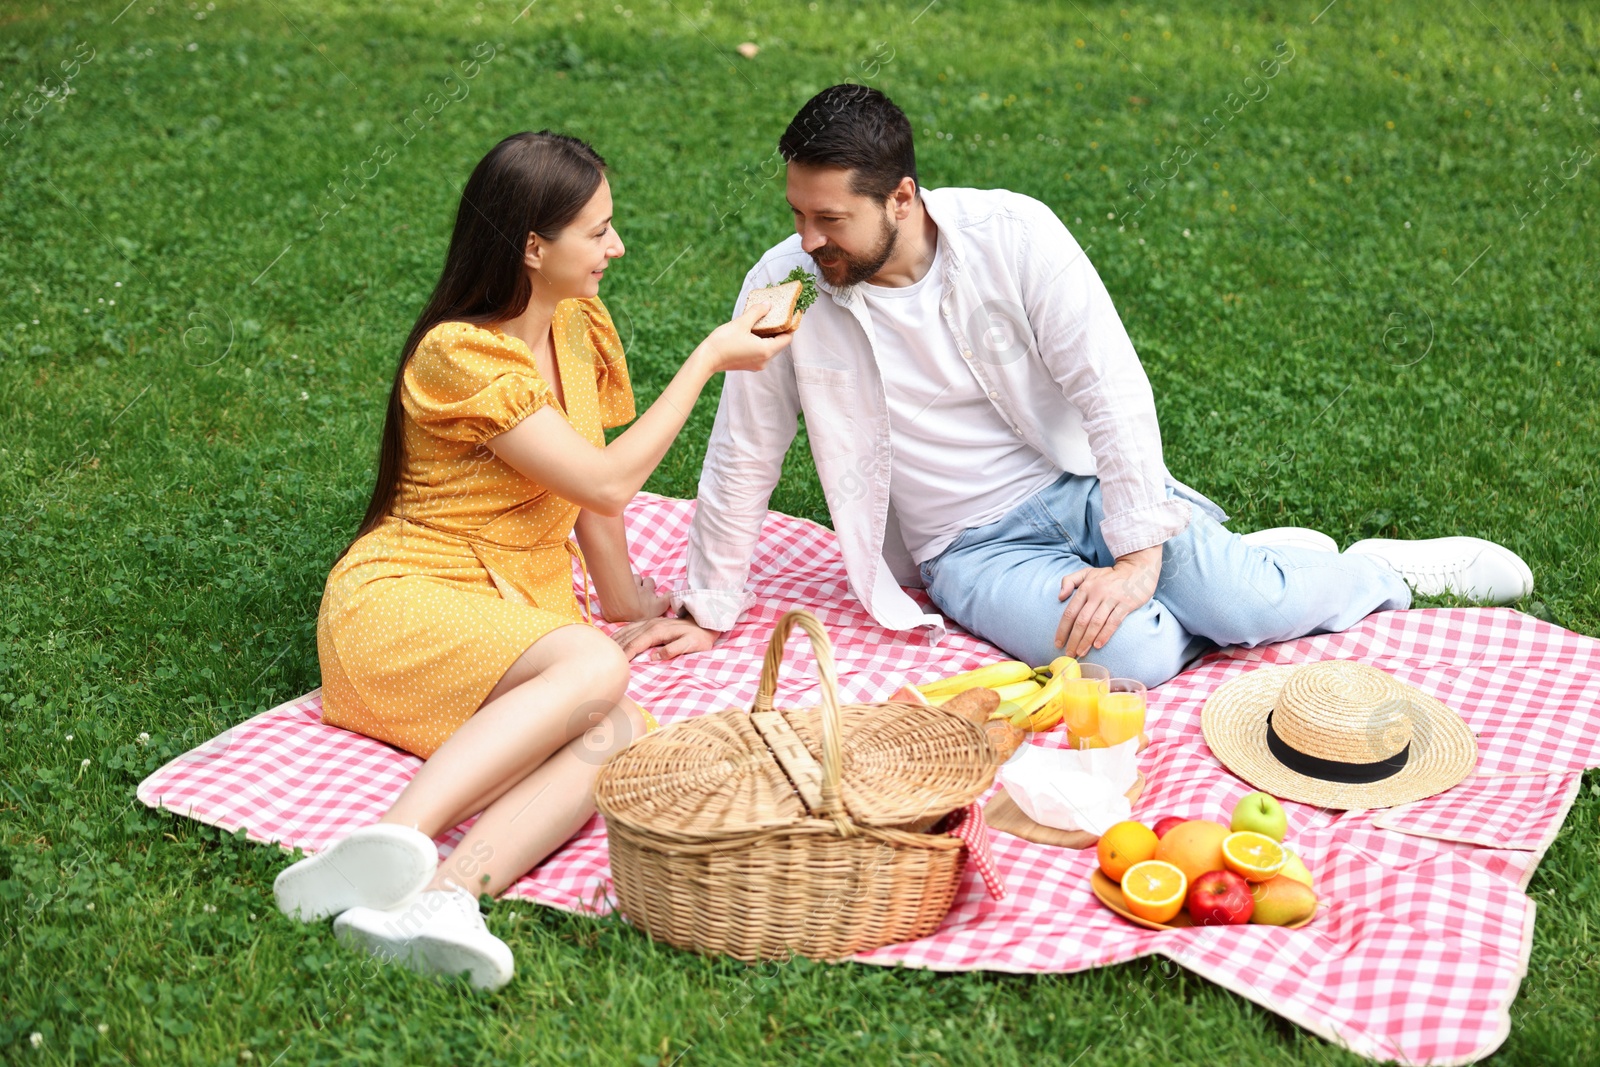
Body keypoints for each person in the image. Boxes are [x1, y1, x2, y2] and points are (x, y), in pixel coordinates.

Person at [615, 85, 1533, 682]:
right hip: (968, 550)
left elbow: (1112, 389)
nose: (810, 240)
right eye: (798, 214)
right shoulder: (789, 284)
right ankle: (1235, 564)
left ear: (903, 198)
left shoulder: (1016, 235)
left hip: (1082, 488)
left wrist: (1136, 550)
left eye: (830, 218)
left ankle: (1368, 570)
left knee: (1246, 607)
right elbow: (745, 447)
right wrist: (711, 604)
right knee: (1132, 657)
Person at [273, 131, 789, 989]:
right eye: (599, 231)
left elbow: (583, 491)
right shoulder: (461, 354)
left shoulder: (577, 325)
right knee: (590, 664)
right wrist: (708, 357)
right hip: (400, 607)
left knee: (625, 730)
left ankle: (442, 897)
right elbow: (609, 480)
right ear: (532, 246)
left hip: (509, 617)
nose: (616, 247)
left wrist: (627, 606)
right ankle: (387, 840)